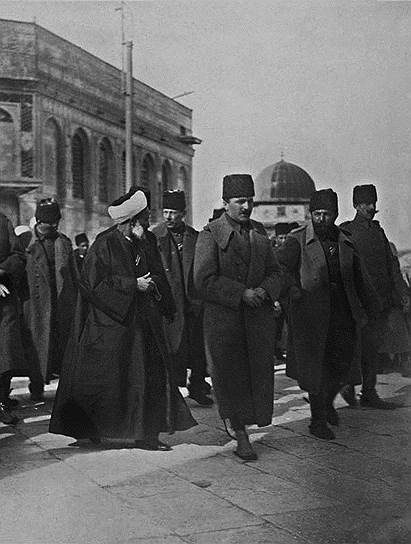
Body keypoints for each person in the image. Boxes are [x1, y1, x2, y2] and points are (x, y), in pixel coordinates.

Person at [49, 188, 196, 449]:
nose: (148, 222)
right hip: (111, 325)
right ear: (131, 221)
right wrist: (132, 284)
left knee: (148, 378)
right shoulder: (104, 243)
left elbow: (158, 274)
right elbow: (92, 284)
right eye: (145, 218)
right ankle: (90, 430)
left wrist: (161, 296)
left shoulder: (147, 240)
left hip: (144, 325)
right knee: (104, 382)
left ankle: (147, 435)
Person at [194, 174, 282, 460]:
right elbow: (203, 280)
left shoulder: (259, 232)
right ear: (225, 203)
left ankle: (245, 423)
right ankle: (240, 432)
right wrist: (241, 293)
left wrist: (265, 290)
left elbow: (276, 271)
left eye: (250, 201)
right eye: (240, 201)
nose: (246, 207)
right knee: (229, 376)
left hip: (256, 320)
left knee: (255, 375)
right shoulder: (210, 234)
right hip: (225, 322)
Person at [276, 189, 371, 440]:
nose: (321, 219)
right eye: (316, 214)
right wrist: (293, 290)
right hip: (312, 317)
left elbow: (360, 278)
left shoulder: (346, 241)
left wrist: (368, 307)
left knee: (343, 366)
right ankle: (317, 421)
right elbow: (281, 270)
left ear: (335, 214)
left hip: (343, 314)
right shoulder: (297, 240)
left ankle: (328, 402)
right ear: (310, 214)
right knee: (317, 369)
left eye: (326, 214)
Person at [339, 184, 408, 409]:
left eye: (373, 203)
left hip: (381, 301)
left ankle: (368, 392)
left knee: (372, 349)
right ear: (356, 205)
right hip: (358, 302)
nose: (370, 207)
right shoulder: (346, 231)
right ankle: (348, 386)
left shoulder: (379, 232)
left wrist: (403, 294)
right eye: (365, 203)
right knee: (355, 348)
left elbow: (391, 266)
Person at [151, 190, 212, 406]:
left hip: (192, 303)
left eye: (173, 212)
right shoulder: (153, 236)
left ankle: (197, 386)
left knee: (196, 349)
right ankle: (169, 392)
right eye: (165, 212)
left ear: (183, 214)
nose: (168, 217)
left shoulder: (195, 237)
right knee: (169, 349)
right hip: (167, 303)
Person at [24, 199, 77, 400]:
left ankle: (65, 389)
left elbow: (74, 274)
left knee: (62, 346)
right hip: (36, 304)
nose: (54, 226)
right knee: (37, 346)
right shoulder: (27, 244)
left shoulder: (64, 242)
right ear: (39, 221)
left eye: (56, 222)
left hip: (62, 302)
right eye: (50, 222)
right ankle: (36, 386)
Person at [0, 213, 26, 424]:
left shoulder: (3, 221)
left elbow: (18, 255)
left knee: (6, 352)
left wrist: (1, 271)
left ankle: (1, 401)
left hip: (4, 299)